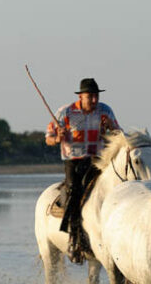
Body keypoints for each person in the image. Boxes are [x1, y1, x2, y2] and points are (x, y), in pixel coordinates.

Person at [45, 78, 120, 263]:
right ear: (81, 96)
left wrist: (111, 129)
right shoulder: (65, 112)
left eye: (96, 96)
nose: (94, 100)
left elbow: (119, 134)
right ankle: (74, 239)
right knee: (74, 190)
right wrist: (58, 138)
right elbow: (49, 138)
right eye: (90, 97)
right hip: (74, 160)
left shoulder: (105, 110)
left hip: (98, 159)